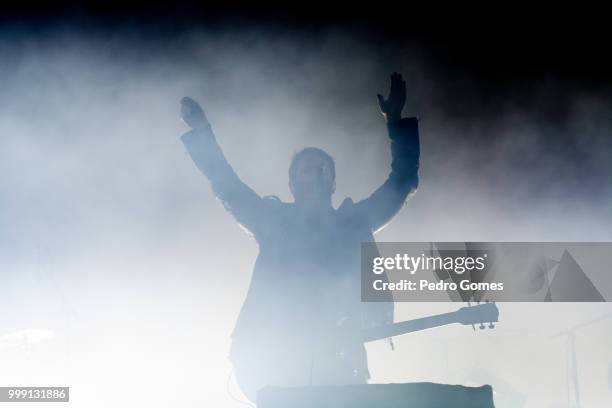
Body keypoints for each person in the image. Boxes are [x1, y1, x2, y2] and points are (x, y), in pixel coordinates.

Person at [179, 72, 420, 401]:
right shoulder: (273, 221)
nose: (317, 173)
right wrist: (202, 135)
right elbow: (229, 187)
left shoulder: (353, 223)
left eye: (325, 169)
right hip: (276, 356)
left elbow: (401, 182)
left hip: (338, 359)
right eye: (308, 168)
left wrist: (395, 121)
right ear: (292, 183)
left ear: (333, 182)